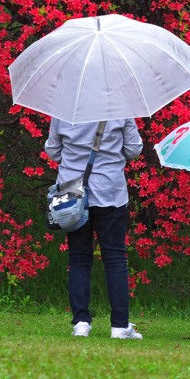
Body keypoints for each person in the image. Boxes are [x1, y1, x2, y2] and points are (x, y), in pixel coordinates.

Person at [45, 117, 144, 340]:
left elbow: (53, 150)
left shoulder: (65, 109)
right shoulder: (120, 108)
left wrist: (74, 160)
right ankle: (119, 326)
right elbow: (134, 148)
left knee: (78, 258)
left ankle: (81, 323)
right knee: (115, 259)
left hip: (72, 192)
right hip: (110, 191)